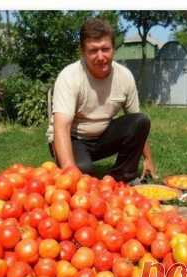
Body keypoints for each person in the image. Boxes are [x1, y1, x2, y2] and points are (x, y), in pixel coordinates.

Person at [47, 18, 157, 183]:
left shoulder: (124, 77)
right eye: (93, 50)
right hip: (71, 137)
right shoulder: (69, 76)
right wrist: (70, 173)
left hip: (101, 137)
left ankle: (121, 179)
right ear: (83, 52)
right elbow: (61, 128)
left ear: (113, 49)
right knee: (81, 170)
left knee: (141, 120)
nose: (100, 56)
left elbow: (137, 124)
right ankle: (77, 166)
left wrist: (148, 159)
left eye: (105, 49)